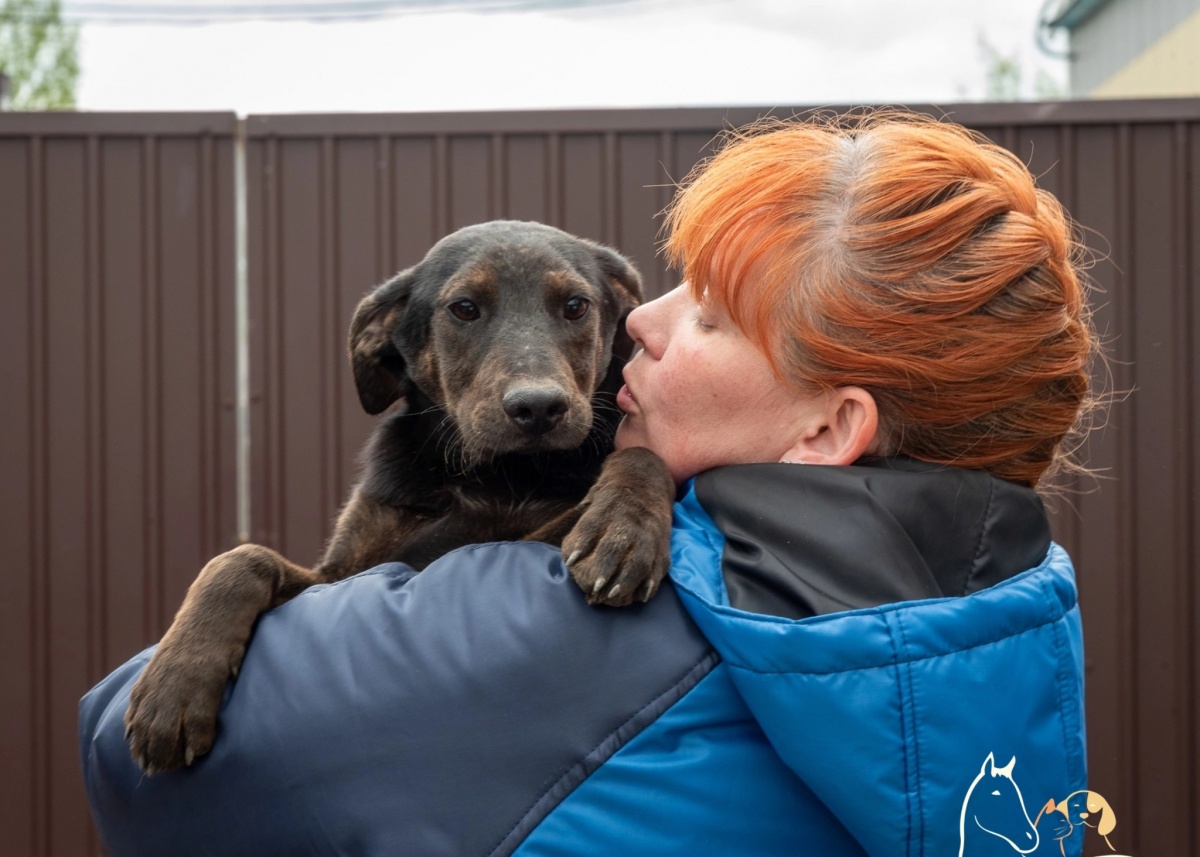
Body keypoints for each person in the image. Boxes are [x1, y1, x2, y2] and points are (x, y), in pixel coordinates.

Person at [80, 111, 1098, 857]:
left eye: (707, 314)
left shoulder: (586, 639)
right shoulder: (1019, 605)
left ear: (832, 424)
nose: (639, 322)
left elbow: (131, 758)